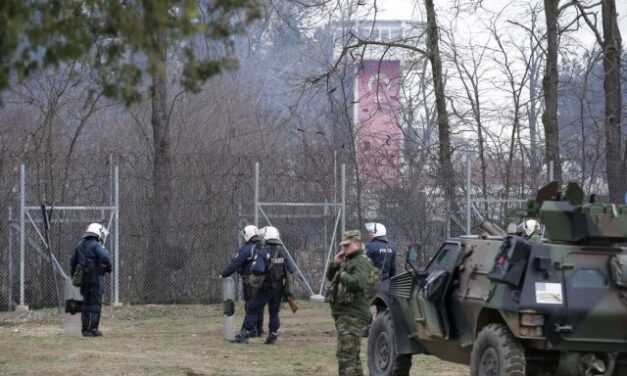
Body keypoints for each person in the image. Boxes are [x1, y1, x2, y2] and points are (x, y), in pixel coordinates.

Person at [327, 230, 376, 376]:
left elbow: (358, 283)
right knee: (352, 355)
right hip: (344, 313)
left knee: (345, 355)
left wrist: (342, 274)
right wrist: (335, 263)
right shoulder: (348, 260)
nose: (344, 249)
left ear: (358, 244)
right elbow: (331, 278)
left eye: (348, 246)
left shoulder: (361, 261)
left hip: (353, 314)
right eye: (343, 246)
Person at [234, 226, 294, 344]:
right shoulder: (282, 252)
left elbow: (258, 269)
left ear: (266, 237)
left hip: (265, 287)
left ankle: (245, 333)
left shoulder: (263, 252)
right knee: (274, 312)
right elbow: (290, 269)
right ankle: (273, 335)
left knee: (253, 308)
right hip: (278, 288)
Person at [219, 225, 264, 337]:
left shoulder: (247, 248)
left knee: (250, 304)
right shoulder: (262, 247)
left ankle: (251, 330)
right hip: (263, 280)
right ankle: (259, 329)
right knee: (259, 304)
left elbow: (236, 263)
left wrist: (224, 273)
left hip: (250, 280)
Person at [70, 223, 112, 337]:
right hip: (96, 278)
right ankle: (93, 329)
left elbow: (73, 262)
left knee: (86, 304)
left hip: (84, 280)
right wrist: (109, 267)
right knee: (95, 304)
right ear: (98, 233)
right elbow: (105, 257)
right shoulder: (96, 245)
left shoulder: (79, 245)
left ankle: (85, 329)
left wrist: (74, 275)